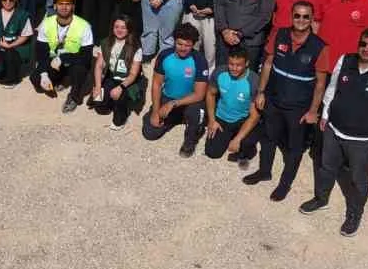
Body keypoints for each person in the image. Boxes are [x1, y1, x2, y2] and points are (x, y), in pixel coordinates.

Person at [303, 29, 368, 237]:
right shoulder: (345, 60)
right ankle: (321, 199)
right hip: (334, 129)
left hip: (363, 141)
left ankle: (354, 214)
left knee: (359, 180)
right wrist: (325, 115)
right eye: (363, 44)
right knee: (326, 167)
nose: (366, 49)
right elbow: (332, 88)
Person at [242, 1, 329, 202]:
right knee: (268, 138)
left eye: (305, 16)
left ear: (311, 19)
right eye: (297, 15)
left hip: (298, 108)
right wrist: (261, 92)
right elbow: (268, 64)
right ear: (291, 16)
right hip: (273, 99)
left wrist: (313, 111)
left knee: (294, 148)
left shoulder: (320, 47)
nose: (301, 20)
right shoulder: (279, 34)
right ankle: (264, 171)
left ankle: (284, 184)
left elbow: (320, 85)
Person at [143, 23, 209, 153]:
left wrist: (173, 104)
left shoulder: (200, 60)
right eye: (179, 44)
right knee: (150, 133)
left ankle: (190, 140)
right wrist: (156, 111)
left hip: (190, 101)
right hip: (168, 97)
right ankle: (173, 118)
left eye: (187, 45)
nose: (183, 48)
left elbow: (199, 94)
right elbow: (156, 84)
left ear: (193, 45)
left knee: (197, 113)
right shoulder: (164, 56)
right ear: (174, 41)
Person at [35, 0, 95, 112]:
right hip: (54, 62)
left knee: (80, 70)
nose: (64, 7)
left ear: (73, 5)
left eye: (68, 3)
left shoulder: (84, 26)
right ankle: (59, 79)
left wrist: (64, 58)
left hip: (74, 62)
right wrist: (44, 74)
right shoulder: (46, 24)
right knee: (36, 79)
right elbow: (41, 52)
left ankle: (74, 97)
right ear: (55, 5)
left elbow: (86, 57)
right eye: (60, 3)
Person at [206, 47, 260, 161]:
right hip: (222, 117)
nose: (234, 68)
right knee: (212, 153)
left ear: (247, 63)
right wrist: (212, 120)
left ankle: (242, 142)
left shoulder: (254, 81)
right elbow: (210, 94)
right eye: (231, 64)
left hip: (242, 119)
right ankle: (227, 137)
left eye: (238, 65)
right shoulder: (220, 72)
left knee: (246, 145)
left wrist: (238, 139)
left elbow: (255, 116)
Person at [93, 12, 145, 126]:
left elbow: (133, 74)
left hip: (128, 81)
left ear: (129, 29)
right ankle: (113, 100)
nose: (119, 30)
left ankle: (123, 113)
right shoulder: (106, 42)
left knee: (117, 119)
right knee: (100, 107)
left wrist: (120, 88)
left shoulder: (135, 46)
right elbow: (99, 66)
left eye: (123, 27)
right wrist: (97, 86)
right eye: (116, 27)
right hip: (112, 77)